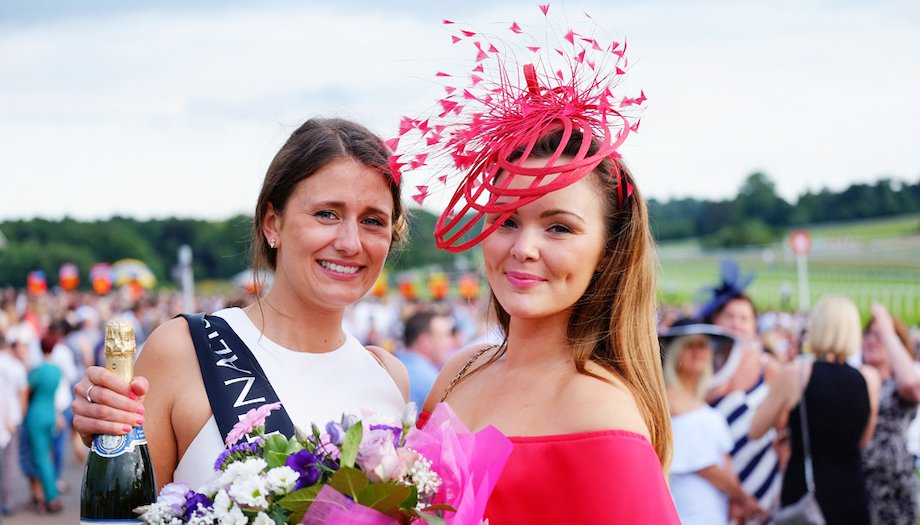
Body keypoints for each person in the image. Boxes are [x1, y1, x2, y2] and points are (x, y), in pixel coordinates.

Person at [71, 117, 411, 490]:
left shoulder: (389, 376)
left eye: (373, 220)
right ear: (272, 224)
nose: (350, 242)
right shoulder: (183, 352)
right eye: (327, 214)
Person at [750, 295, 880, 525]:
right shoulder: (869, 378)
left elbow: (755, 429)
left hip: (805, 491)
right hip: (851, 489)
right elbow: (863, 440)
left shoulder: (796, 374)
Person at [701, 262, 783, 513]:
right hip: (711, 478)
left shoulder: (769, 367)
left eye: (744, 318)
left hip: (762, 476)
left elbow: (784, 431)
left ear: (754, 325)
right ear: (715, 320)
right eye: (729, 317)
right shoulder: (698, 367)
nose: (736, 324)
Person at [662, 322, 763, 525]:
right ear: (675, 351)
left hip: (716, 511)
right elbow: (702, 464)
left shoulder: (703, 405)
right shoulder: (666, 399)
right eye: (690, 345)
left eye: (703, 346)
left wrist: (736, 499)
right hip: (687, 511)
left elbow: (723, 461)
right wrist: (742, 497)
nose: (698, 352)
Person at [860, 303, 920, 525]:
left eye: (879, 335)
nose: (871, 340)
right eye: (868, 333)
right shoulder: (856, 377)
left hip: (892, 483)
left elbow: (913, 386)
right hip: (857, 479)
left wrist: (887, 330)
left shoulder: (900, 382)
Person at [24, 333, 64, 513]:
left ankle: (50, 496)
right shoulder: (56, 370)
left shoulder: (38, 371)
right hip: (50, 413)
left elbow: (26, 390)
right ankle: (49, 493)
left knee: (40, 458)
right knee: (45, 456)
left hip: (36, 415)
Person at [396, 309, 455, 408]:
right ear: (425, 341)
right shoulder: (431, 380)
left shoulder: (391, 364)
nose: (451, 342)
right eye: (446, 335)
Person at [0, 329, 27, 517]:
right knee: (9, 462)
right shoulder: (15, 366)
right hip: (11, 418)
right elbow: (22, 393)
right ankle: (7, 501)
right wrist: (20, 416)